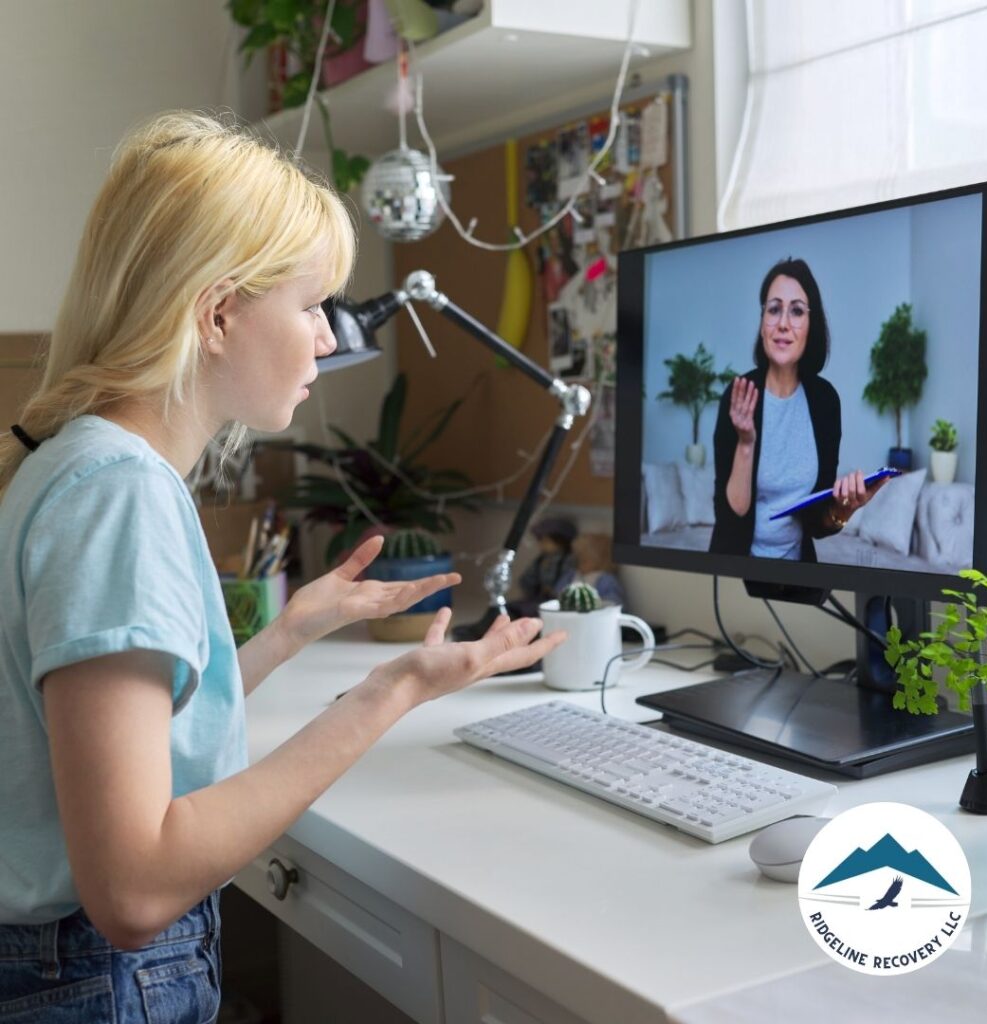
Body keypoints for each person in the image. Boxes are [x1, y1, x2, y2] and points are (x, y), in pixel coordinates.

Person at [0, 110, 566, 1021]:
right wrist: (392, 692)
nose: (332, 338)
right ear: (217, 313)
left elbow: (133, 735)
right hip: (89, 983)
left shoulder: (76, 460)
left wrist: (292, 630)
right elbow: (136, 889)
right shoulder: (120, 493)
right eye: (311, 306)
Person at [709, 257, 885, 560]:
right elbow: (731, 516)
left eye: (797, 311)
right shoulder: (739, 395)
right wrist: (746, 442)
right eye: (774, 309)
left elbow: (817, 522)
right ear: (762, 323)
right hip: (737, 571)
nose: (783, 324)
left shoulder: (825, 401)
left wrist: (843, 510)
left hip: (798, 571)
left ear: (810, 325)